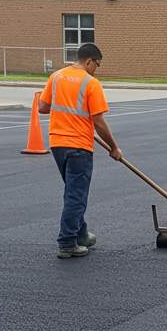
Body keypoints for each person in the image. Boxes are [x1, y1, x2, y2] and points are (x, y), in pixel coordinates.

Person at [38, 42, 123, 259]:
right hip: (79, 147)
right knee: (76, 195)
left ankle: (81, 235)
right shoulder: (90, 83)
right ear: (89, 61)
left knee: (73, 192)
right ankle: (67, 242)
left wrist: (69, 115)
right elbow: (99, 122)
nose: (97, 68)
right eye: (97, 64)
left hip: (57, 144)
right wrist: (114, 147)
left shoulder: (56, 76)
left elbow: (43, 107)